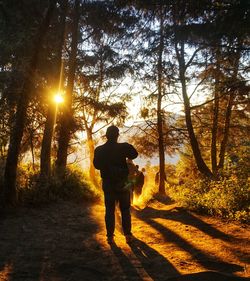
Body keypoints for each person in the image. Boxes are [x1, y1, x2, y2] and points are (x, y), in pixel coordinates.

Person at [93, 125, 138, 244]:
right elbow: (134, 154)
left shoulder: (99, 150)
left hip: (108, 184)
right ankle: (128, 235)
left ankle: (110, 237)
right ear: (117, 135)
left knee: (109, 210)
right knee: (125, 209)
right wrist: (126, 146)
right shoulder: (123, 147)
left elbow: (96, 165)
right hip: (122, 183)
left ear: (106, 136)